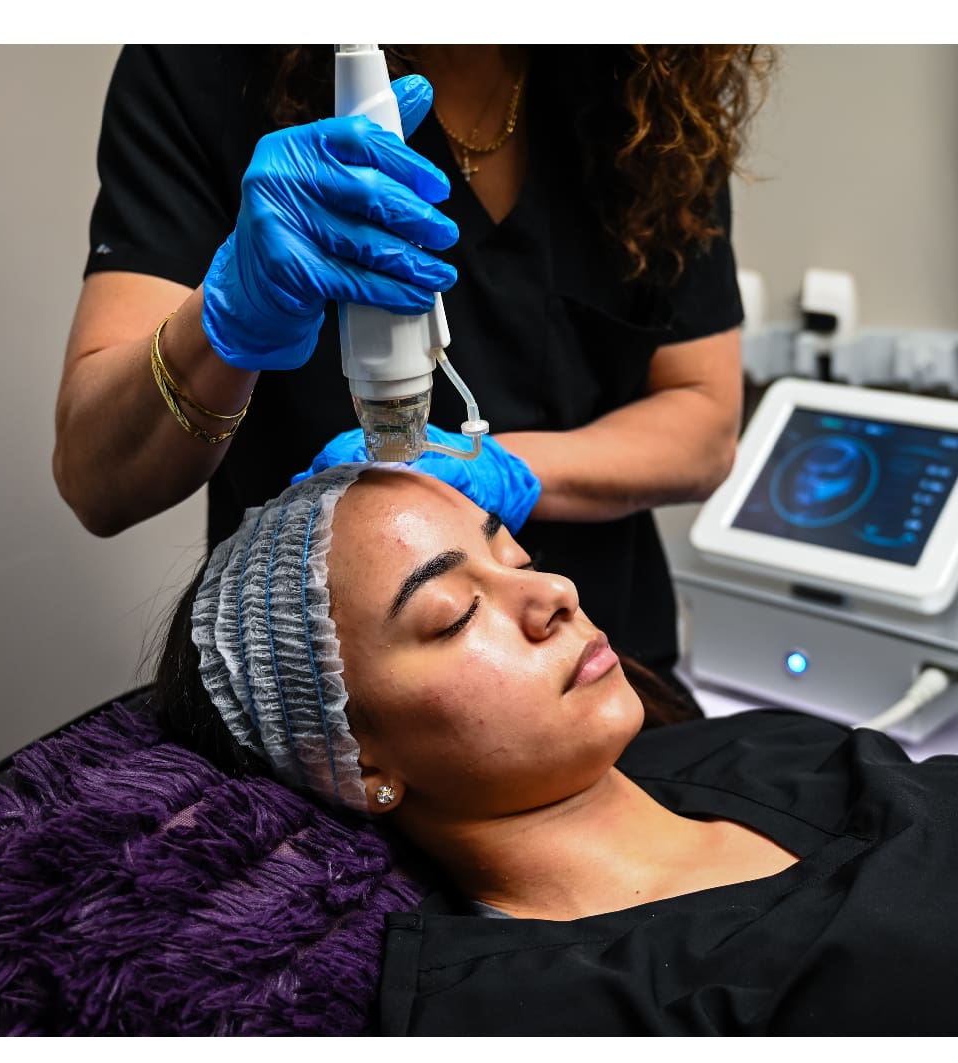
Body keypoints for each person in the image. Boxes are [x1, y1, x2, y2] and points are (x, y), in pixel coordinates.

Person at [154, 463, 958, 1035]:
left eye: (515, 558)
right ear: (361, 765)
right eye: (456, 614)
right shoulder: (540, 1020)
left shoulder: (753, 741)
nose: (553, 594)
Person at [54, 45, 769, 687]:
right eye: (452, 614)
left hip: (613, 663)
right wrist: (222, 322)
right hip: (340, 692)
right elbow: (97, 478)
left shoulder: (649, 85)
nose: (546, 598)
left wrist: (500, 471)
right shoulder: (205, 64)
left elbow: (702, 423)